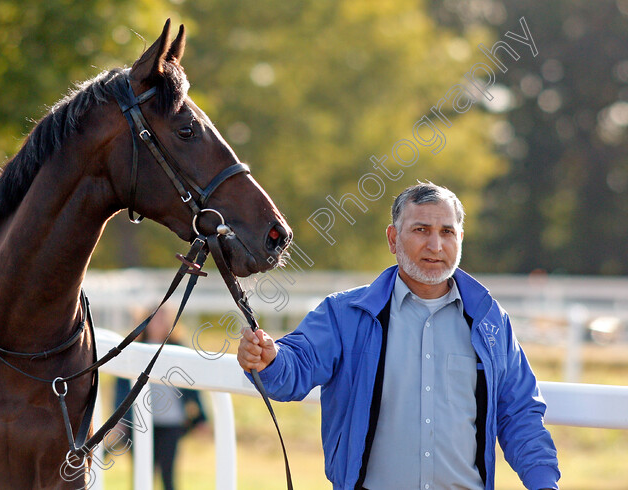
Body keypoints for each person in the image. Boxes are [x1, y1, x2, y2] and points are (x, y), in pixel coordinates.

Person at [237, 182, 560, 490]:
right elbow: (294, 368)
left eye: (447, 232)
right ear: (393, 239)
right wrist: (269, 360)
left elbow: (519, 414)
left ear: (460, 239)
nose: (435, 246)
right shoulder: (344, 314)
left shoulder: (491, 322)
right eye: (421, 230)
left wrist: (544, 482)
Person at [113, 308, 207, 490]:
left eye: (164, 320)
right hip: (139, 422)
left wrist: (201, 418)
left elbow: (193, 389)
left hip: (171, 422)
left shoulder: (179, 350)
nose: (160, 324)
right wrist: (118, 420)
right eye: (156, 320)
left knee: (167, 474)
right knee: (141, 474)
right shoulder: (134, 349)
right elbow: (121, 388)